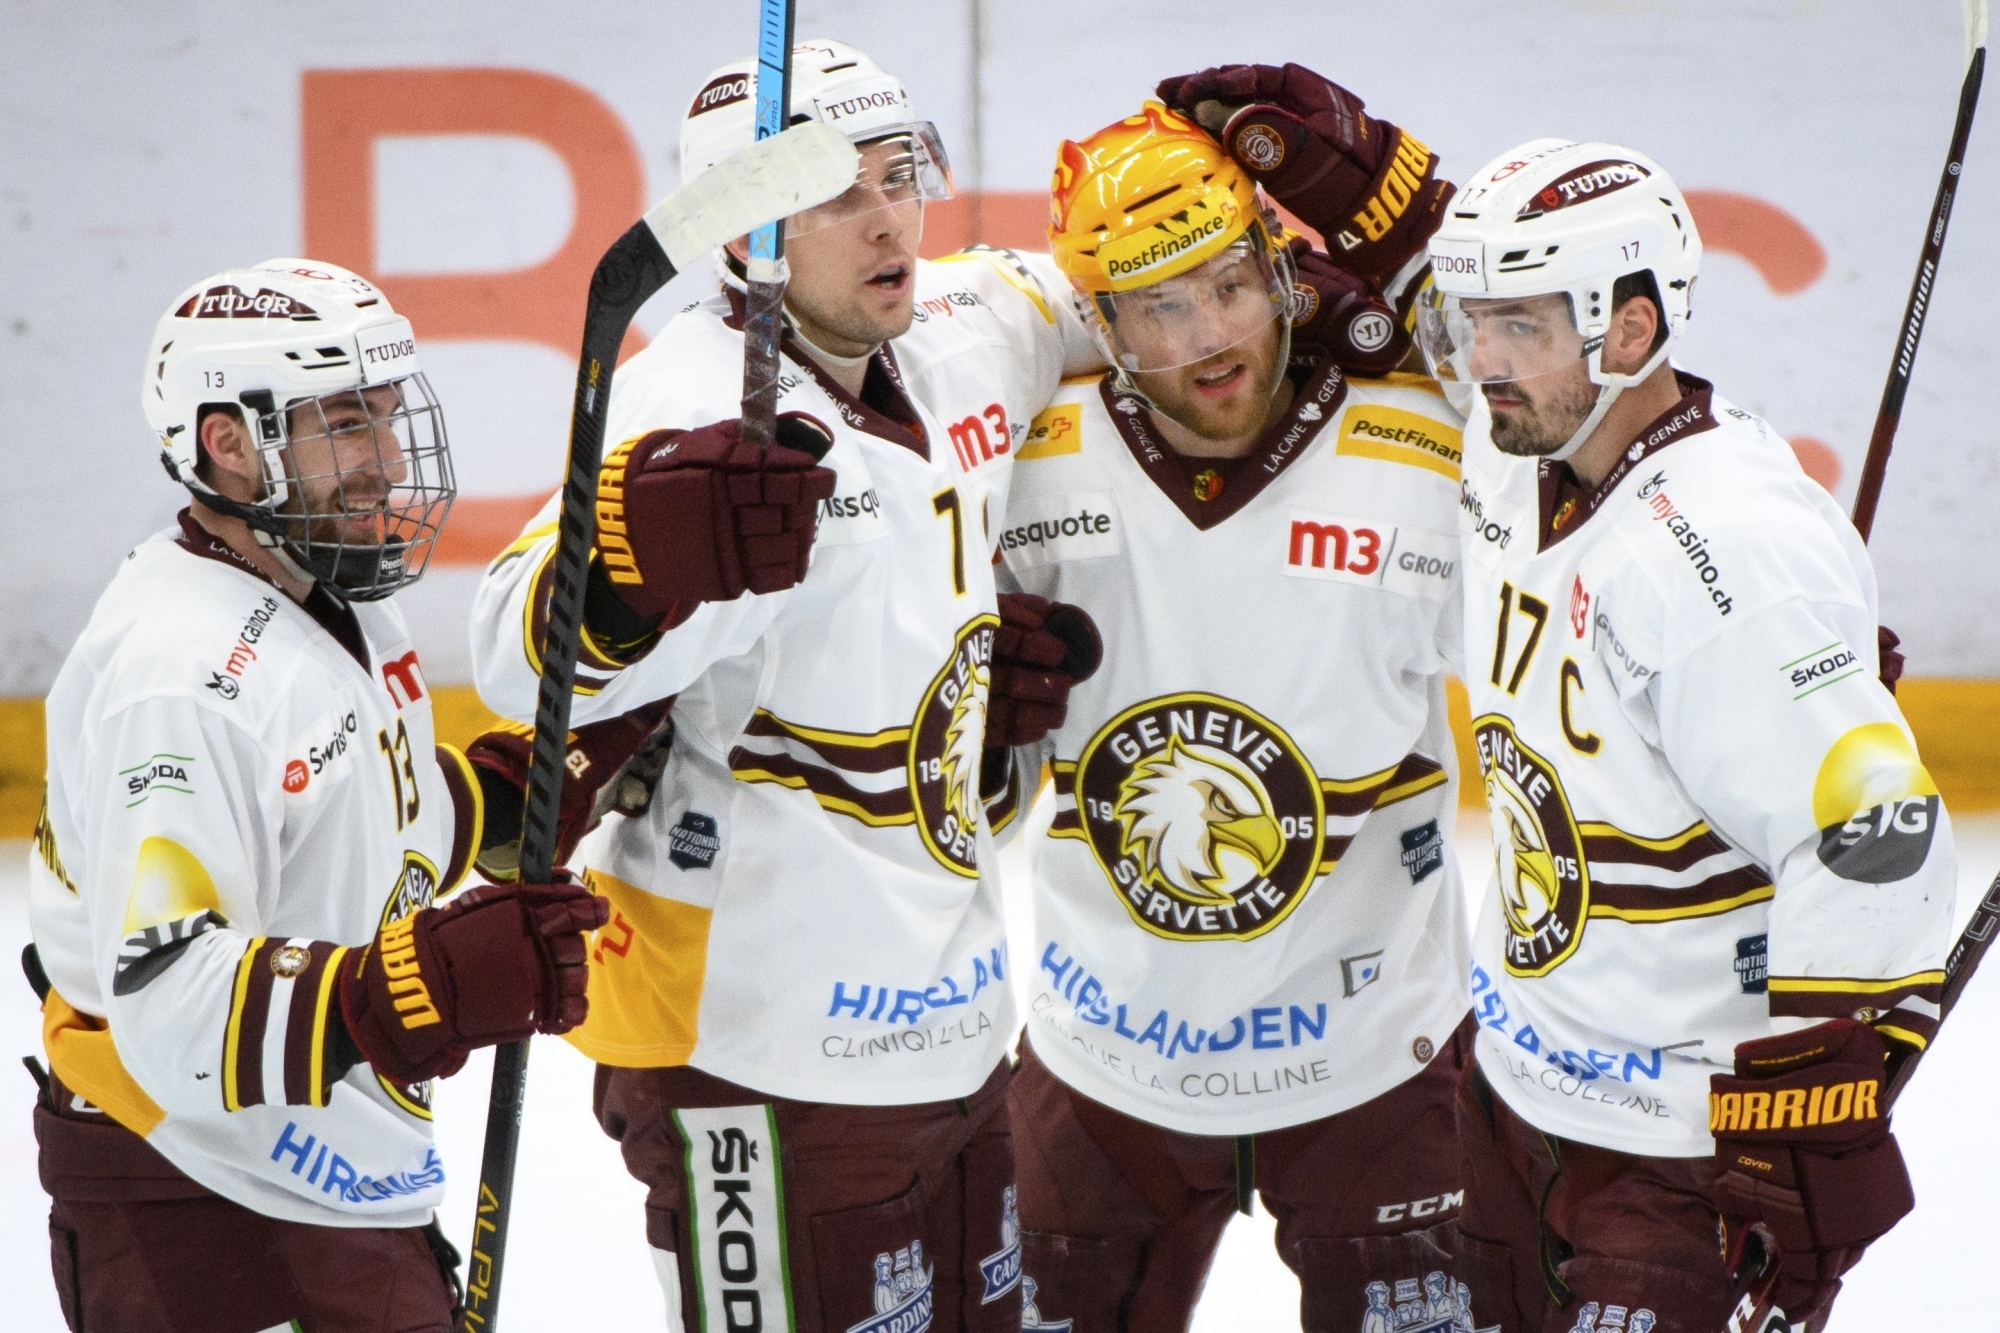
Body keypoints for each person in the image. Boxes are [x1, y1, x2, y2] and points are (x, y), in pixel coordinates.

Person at [467, 39, 1108, 1333]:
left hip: (955, 1029)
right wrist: (639, 561)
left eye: (898, 175)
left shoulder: (963, 330)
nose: (888, 219)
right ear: (742, 235)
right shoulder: (689, 407)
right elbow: (513, 648)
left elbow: (1131, 294)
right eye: (835, 192)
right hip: (749, 1051)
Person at [1412, 139, 1956, 1332]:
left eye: (1518, 326)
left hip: (1678, 1165)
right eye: (1472, 322)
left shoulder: (1726, 554)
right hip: (1513, 1094)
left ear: (1628, 330)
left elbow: (1876, 838)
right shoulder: (1517, 450)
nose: (1476, 363)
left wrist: (1806, 1129)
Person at [26, 260, 607, 1332]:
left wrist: (560, 762)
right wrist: (426, 982)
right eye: (345, 422)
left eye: (388, 416)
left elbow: (374, 830)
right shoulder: (182, 677)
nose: (387, 463)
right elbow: (174, 1004)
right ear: (228, 443)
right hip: (201, 1199)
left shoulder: (330, 589)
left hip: (329, 1169)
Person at [990, 98, 1492, 1333]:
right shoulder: (1021, 468)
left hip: (1382, 1058)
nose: (1206, 336)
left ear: (1281, 267)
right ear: (1095, 324)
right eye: (1156, 306)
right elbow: (951, 789)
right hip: (1101, 1062)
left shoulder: (1428, 455)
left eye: (1224, 284)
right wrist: (959, 725)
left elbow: (1583, 633)